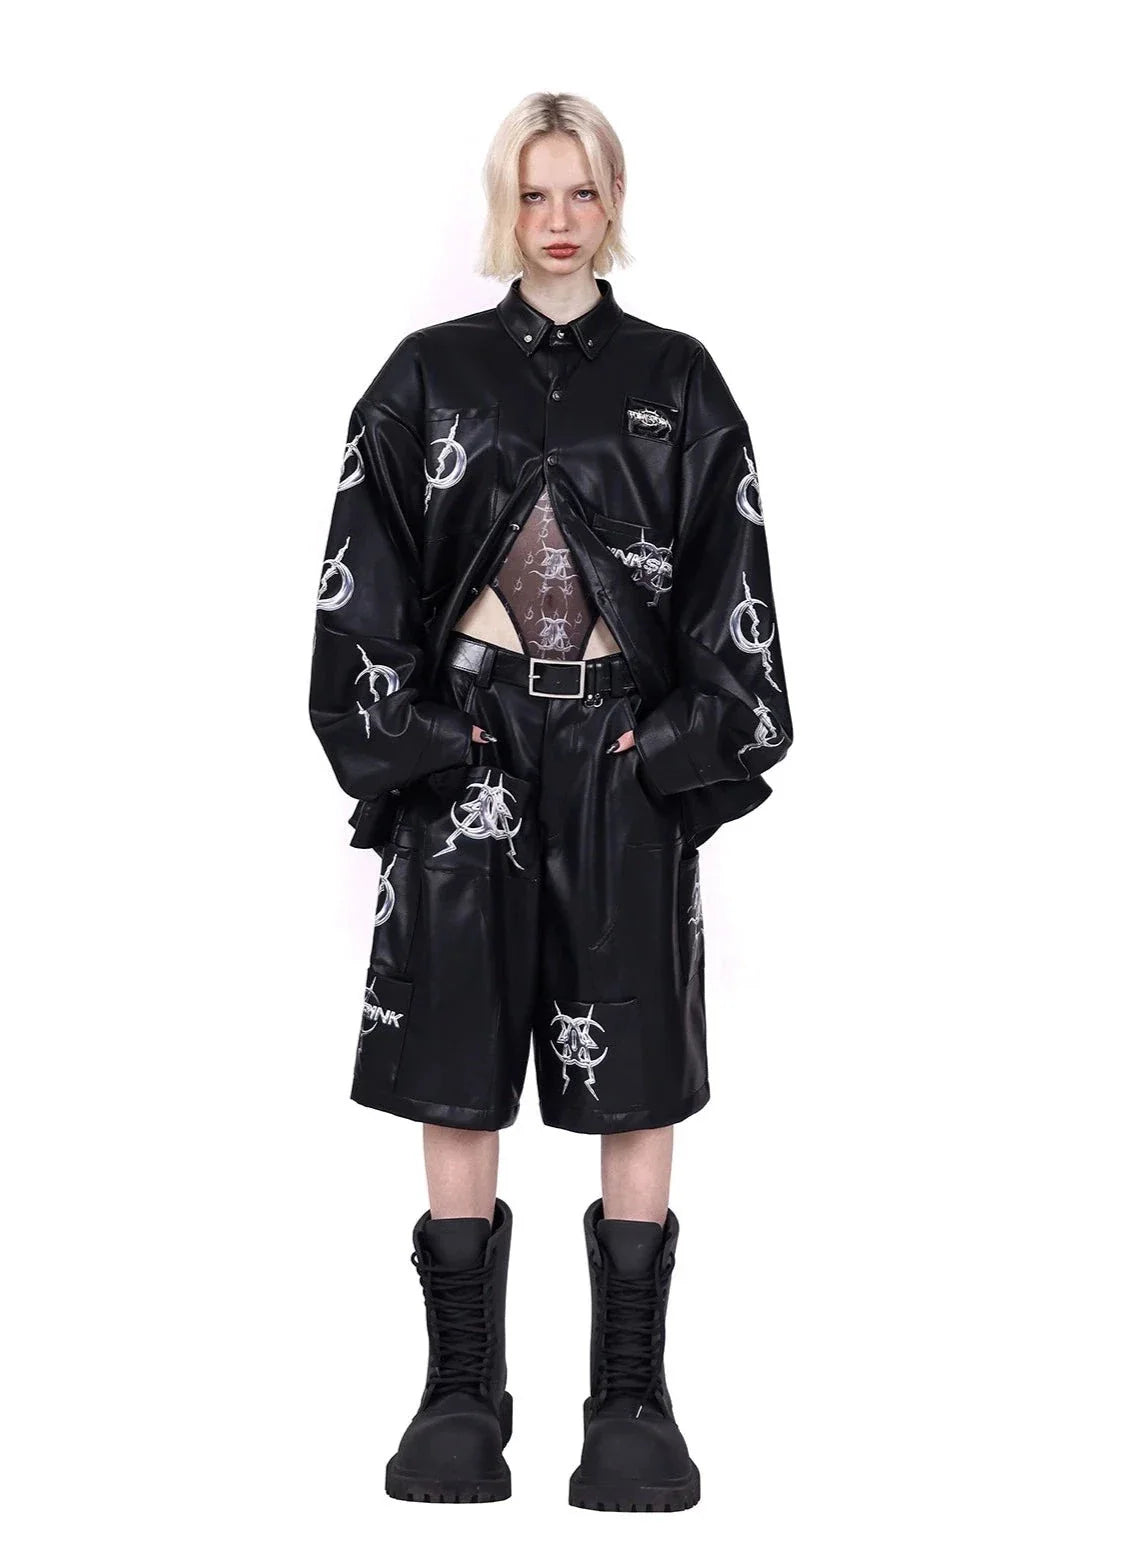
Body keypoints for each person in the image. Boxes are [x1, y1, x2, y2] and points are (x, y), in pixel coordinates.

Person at [309, 92, 794, 1511]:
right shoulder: (429, 377)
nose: (560, 220)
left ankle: (629, 1399)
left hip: (619, 752)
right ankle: (461, 1392)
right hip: (469, 744)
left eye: (582, 191)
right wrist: (418, 739)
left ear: (614, 199)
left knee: (634, 1056)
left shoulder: (679, 381)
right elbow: (359, 583)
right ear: (505, 206)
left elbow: (733, 591)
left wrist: (671, 746)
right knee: (453, 1054)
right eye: (535, 193)